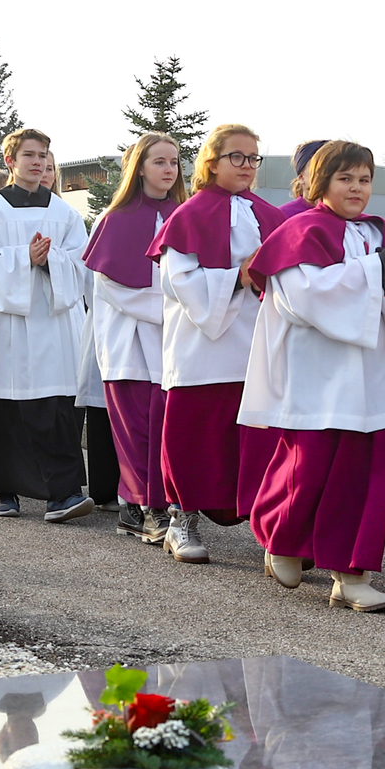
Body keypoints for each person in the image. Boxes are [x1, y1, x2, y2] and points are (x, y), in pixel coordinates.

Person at [241, 140, 385, 613]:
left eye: (364, 179)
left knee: (369, 476)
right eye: (345, 178)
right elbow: (302, 298)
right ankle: (282, 539)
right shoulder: (300, 230)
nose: (357, 188)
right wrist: (374, 274)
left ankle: (352, 575)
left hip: (376, 376)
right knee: (308, 467)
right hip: (319, 374)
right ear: (321, 182)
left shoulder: (384, 231)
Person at [147, 124, 287, 539]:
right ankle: (180, 520)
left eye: (253, 158)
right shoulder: (188, 215)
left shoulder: (268, 213)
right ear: (212, 162)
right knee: (194, 439)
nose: (247, 166)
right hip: (200, 349)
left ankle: (273, 531)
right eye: (237, 157)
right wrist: (238, 277)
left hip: (255, 346)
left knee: (255, 441)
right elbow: (178, 281)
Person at [0, 127, 94, 522]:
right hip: (6, 323)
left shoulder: (64, 213)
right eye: (29, 155)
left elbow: (81, 262)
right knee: (2, 404)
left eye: (42, 156)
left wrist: (51, 261)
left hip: (53, 321)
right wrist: (25, 259)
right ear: (11, 161)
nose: (37, 163)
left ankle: (64, 494)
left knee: (55, 404)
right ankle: (3, 491)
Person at [83, 135, 188, 549]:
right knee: (139, 427)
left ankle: (139, 505)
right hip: (130, 340)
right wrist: (175, 307)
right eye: (159, 161)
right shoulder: (117, 218)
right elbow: (113, 288)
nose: (168, 169)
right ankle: (149, 508)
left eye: (175, 162)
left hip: (175, 339)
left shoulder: (185, 214)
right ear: (139, 167)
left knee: (166, 426)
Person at [279, 139, 329, 220]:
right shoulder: (282, 215)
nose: (328, 173)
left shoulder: (350, 215)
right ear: (301, 177)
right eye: (319, 168)